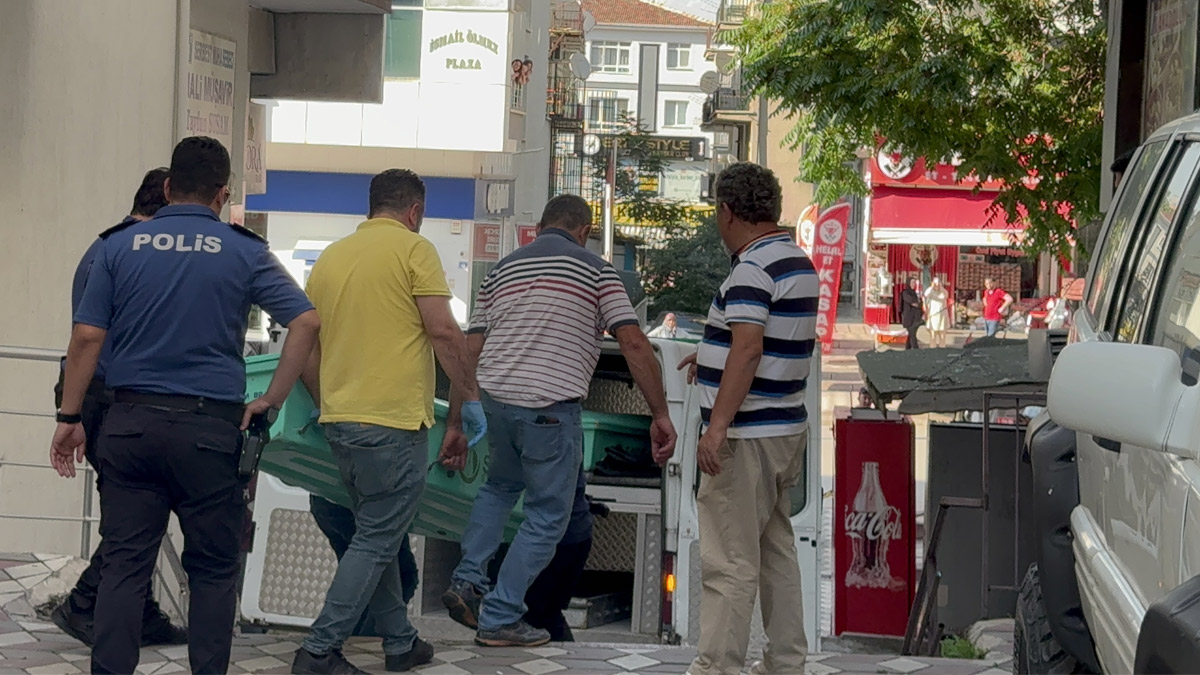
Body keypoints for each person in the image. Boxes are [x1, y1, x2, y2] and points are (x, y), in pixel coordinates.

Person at [50, 136, 320, 675]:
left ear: (168, 187)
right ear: (223, 194)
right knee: (214, 571)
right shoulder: (245, 251)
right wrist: (270, 399)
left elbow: (85, 338)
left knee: (125, 567)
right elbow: (307, 321)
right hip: (209, 433)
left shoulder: (118, 247)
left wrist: (70, 418)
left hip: (129, 428)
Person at [442, 194, 677, 648]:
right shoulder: (596, 270)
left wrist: (457, 421)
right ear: (584, 231)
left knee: (498, 489)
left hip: (495, 401)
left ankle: (468, 578)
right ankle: (502, 615)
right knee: (548, 516)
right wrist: (660, 413)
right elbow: (631, 343)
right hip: (549, 409)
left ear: (539, 226)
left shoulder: (502, 271)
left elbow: (466, 353)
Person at [294, 168, 486, 675]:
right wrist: (470, 397)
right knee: (378, 537)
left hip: (340, 423)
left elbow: (307, 340)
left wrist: (324, 399)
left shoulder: (331, 258)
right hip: (393, 424)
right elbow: (444, 332)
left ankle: (400, 641)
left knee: (370, 533)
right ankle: (319, 650)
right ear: (414, 212)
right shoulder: (413, 251)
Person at [676, 163, 815, 675]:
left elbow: (750, 348)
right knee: (776, 549)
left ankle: (717, 666)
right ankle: (785, 662)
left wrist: (716, 428)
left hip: (746, 433)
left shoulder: (751, 269)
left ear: (727, 211)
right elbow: (771, 343)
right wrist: (709, 357)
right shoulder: (797, 261)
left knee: (729, 559)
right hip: (786, 430)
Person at [49, 168, 187, 649]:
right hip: (107, 394)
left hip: (99, 392)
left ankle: (138, 608)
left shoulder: (109, 247)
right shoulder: (126, 251)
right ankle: (85, 602)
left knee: (136, 510)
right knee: (135, 516)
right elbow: (93, 336)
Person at [308, 495, 419, 634]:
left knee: (362, 583)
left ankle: (341, 640)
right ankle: (360, 640)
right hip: (362, 507)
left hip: (325, 501)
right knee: (398, 578)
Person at [923, 277, 950, 348]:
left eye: (938, 283)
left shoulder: (943, 292)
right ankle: (932, 349)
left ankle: (942, 349)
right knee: (933, 335)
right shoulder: (931, 292)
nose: (937, 285)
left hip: (942, 316)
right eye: (935, 284)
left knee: (942, 336)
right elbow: (926, 294)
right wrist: (932, 287)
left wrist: (941, 287)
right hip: (933, 316)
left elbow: (946, 295)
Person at [900, 277, 924, 350]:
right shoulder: (905, 292)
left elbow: (919, 303)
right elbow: (910, 300)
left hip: (916, 317)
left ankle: (908, 349)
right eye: (912, 282)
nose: (913, 284)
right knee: (912, 334)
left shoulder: (915, 293)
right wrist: (915, 302)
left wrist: (918, 302)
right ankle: (916, 349)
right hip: (908, 317)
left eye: (914, 283)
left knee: (911, 334)